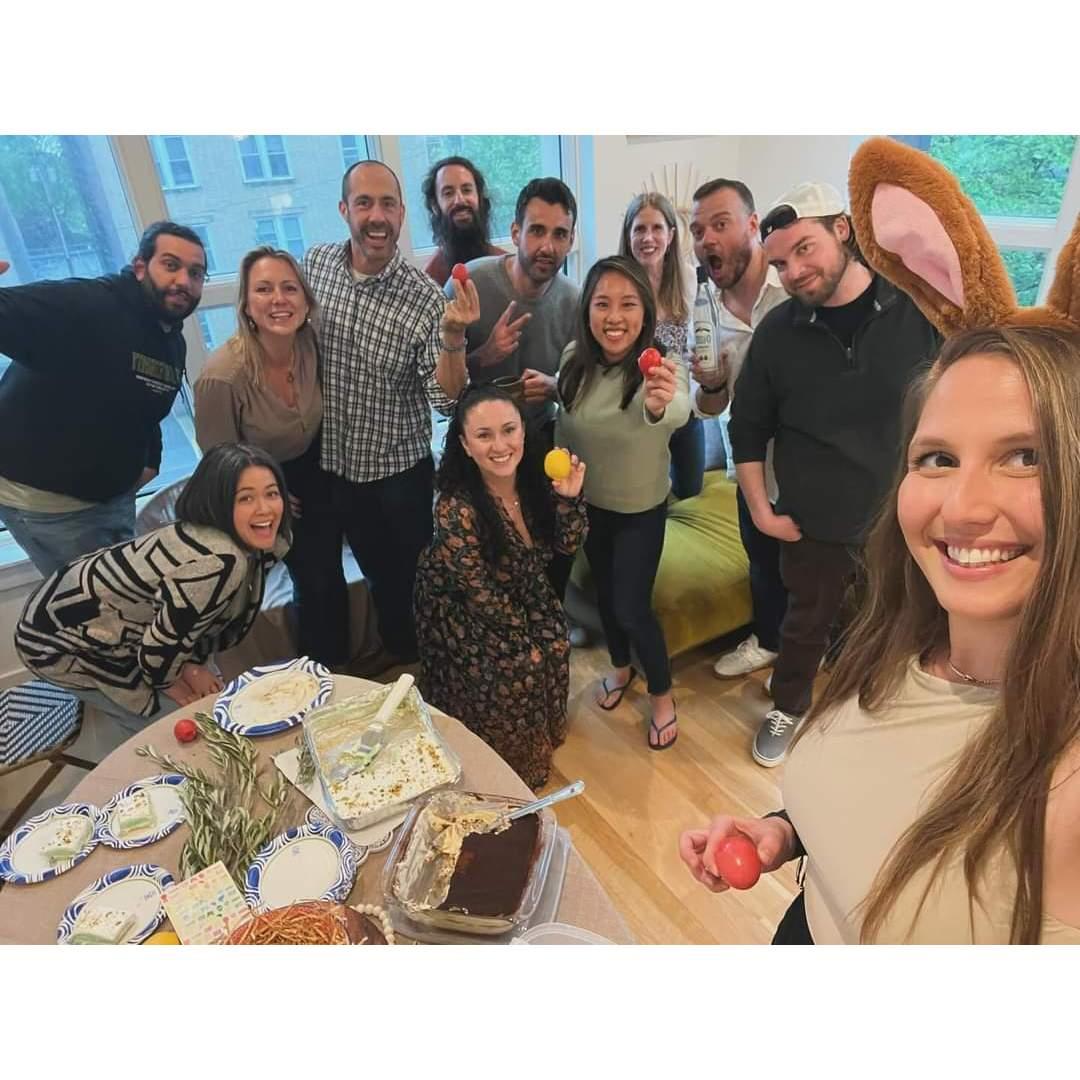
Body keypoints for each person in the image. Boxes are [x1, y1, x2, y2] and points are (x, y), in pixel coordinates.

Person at [679, 325, 1080, 944]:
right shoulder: (895, 642)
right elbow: (875, 789)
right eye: (938, 458)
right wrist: (786, 832)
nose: (962, 507)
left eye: (1026, 457)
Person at [729, 182, 938, 767]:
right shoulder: (778, 333)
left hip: (899, 518)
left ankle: (872, 714)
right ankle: (788, 706)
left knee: (895, 626)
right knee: (803, 627)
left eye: (804, 249)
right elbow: (746, 427)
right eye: (779, 263)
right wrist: (761, 511)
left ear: (841, 230)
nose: (794, 272)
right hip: (812, 521)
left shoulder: (915, 310)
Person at [302, 160, 476, 671]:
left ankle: (425, 673)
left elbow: (445, 400)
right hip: (329, 466)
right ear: (344, 209)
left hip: (397, 476)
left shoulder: (424, 299)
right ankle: (377, 664)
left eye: (387, 204)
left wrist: (454, 337)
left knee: (410, 584)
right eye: (364, 203)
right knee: (354, 581)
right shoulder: (315, 267)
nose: (376, 216)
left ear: (401, 214)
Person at [14, 443, 290, 733]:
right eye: (245, 498)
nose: (265, 509)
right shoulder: (217, 563)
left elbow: (180, 624)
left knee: (200, 700)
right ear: (217, 501)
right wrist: (174, 679)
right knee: (182, 727)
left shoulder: (260, 541)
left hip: (118, 623)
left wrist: (188, 666)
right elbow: (161, 645)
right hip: (59, 641)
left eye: (272, 493)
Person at [0, 222, 207, 576]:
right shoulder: (89, 306)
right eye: (171, 265)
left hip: (112, 497)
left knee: (125, 595)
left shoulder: (168, 333)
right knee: (98, 605)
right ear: (140, 267)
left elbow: (148, 396)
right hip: (55, 511)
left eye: (196, 273)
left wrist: (150, 460)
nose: (183, 281)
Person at [414, 384, 587, 789]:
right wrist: (524, 638)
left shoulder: (538, 480)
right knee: (520, 665)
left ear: (523, 430)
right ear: (465, 444)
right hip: (461, 606)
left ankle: (545, 734)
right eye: (484, 435)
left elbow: (568, 544)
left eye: (509, 430)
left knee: (556, 643)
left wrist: (570, 500)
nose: (499, 446)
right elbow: (477, 591)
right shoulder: (455, 506)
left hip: (522, 589)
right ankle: (514, 765)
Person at [556, 256, 690, 750]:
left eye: (628, 304)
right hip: (587, 508)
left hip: (639, 512)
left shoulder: (660, 369)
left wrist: (659, 403)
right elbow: (569, 416)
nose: (614, 317)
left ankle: (662, 695)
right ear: (587, 310)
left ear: (645, 312)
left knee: (632, 608)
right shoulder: (574, 357)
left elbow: (677, 407)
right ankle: (619, 667)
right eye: (602, 304)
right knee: (606, 599)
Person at [193, 246, 344, 667]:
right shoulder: (222, 376)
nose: (279, 299)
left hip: (314, 468)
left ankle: (343, 668)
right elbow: (219, 463)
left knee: (328, 577)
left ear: (306, 301)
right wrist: (269, 493)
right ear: (246, 304)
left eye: (289, 288)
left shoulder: (312, 344)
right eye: (264, 289)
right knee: (314, 582)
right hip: (255, 482)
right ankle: (316, 674)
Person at [687, 179, 790, 681]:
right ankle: (768, 641)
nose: (707, 239)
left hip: (809, 466)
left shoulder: (791, 287)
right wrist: (710, 384)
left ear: (752, 225)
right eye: (697, 230)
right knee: (762, 562)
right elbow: (710, 408)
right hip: (750, 470)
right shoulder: (706, 314)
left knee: (814, 571)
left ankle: (808, 656)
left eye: (720, 224)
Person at [452, 177, 579, 431]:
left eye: (560, 234)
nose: (547, 247)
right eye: (537, 231)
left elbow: (586, 390)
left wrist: (555, 388)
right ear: (515, 233)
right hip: (475, 434)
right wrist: (482, 356)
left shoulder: (575, 302)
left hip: (540, 432)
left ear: (571, 240)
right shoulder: (471, 283)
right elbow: (439, 387)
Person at [619, 192, 703, 500]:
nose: (648, 238)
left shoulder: (691, 280)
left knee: (690, 489)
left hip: (683, 405)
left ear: (671, 234)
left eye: (656, 228)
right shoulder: (618, 286)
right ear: (628, 235)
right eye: (639, 229)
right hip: (638, 408)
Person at [420, 156, 506, 286]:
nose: (460, 200)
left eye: (467, 190)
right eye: (448, 193)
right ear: (435, 206)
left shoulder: (504, 266)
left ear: (480, 199)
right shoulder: (429, 280)